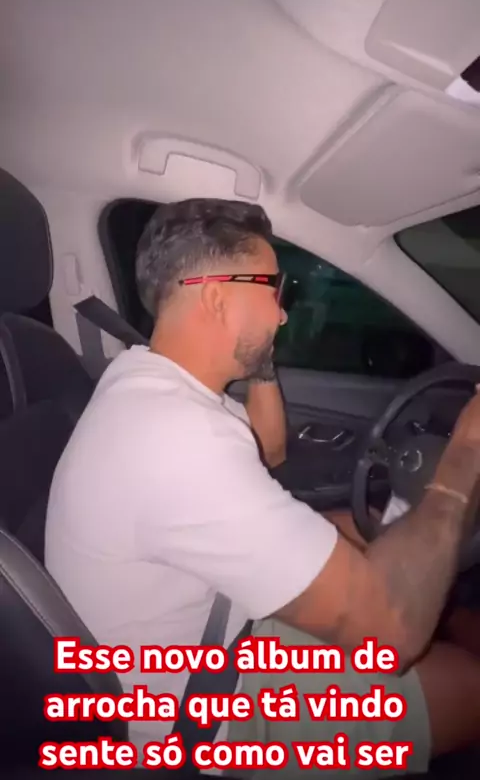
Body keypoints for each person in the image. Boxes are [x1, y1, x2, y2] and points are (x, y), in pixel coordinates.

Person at [45, 197, 480, 775]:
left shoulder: (147, 381)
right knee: (467, 685)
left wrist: (260, 356)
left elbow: (268, 450)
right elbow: (388, 634)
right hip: (201, 716)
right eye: (273, 291)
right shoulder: (177, 437)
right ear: (216, 298)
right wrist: (462, 463)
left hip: (212, 633)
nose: (282, 315)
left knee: (368, 531)